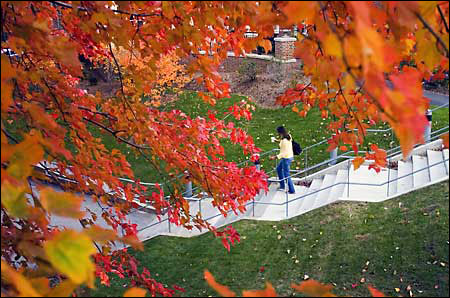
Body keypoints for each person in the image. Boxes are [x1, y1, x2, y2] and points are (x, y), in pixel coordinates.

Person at [270, 126, 295, 194]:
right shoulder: (288, 136)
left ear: (280, 133)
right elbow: (283, 143)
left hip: (286, 158)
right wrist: (276, 141)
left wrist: (274, 157)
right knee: (278, 169)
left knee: (286, 174)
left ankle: (291, 190)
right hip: (289, 156)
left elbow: (283, 153)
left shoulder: (284, 141)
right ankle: (282, 186)